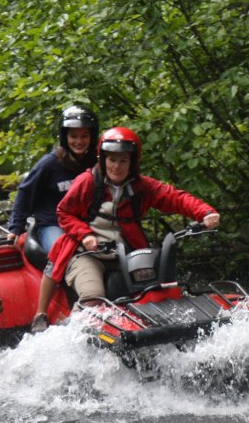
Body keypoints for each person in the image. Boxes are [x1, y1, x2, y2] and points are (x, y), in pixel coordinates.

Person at [38, 126, 219, 325]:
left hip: (126, 253)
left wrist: (206, 212)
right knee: (93, 298)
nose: (117, 166)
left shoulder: (141, 186)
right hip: (86, 254)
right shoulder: (87, 182)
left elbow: (174, 197)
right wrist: (85, 235)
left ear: (132, 163)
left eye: (123, 160)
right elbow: (63, 212)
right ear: (103, 159)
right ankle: (75, 338)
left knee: (156, 290)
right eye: (112, 160)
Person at [6, 106, 99, 332]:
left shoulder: (97, 163)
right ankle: (41, 314)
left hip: (85, 224)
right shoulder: (50, 164)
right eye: (74, 136)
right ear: (64, 136)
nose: (79, 141)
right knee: (63, 252)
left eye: (84, 136)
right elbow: (25, 191)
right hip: (52, 224)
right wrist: (16, 226)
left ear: (92, 136)